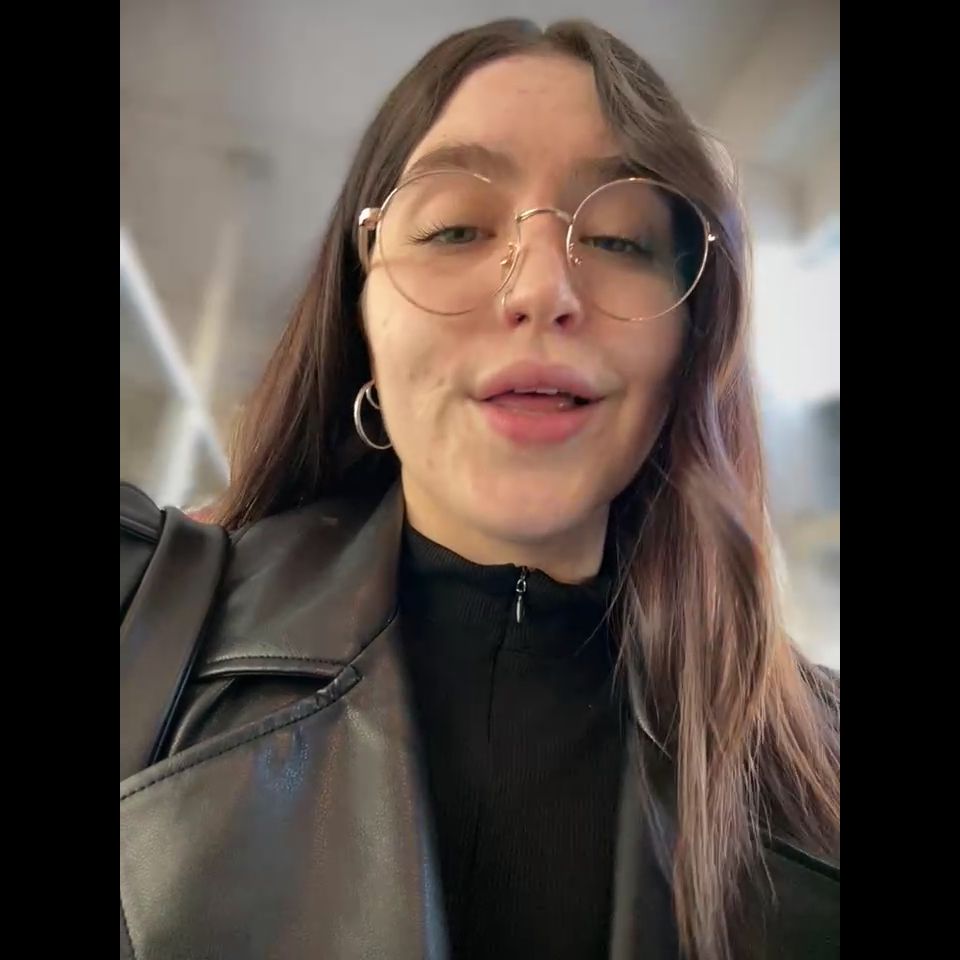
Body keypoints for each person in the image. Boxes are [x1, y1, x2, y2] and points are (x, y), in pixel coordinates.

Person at [120, 17, 839, 960]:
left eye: (620, 240)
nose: (540, 289)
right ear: (360, 315)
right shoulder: (142, 615)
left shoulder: (821, 761)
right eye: (454, 227)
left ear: (690, 342)